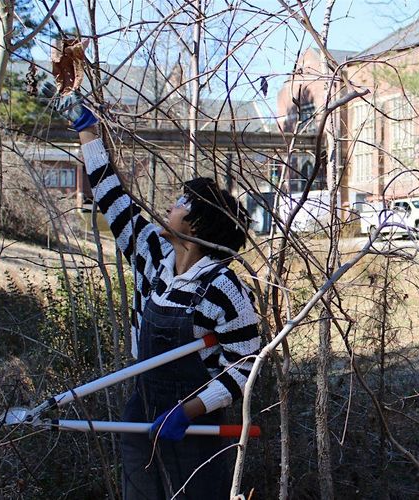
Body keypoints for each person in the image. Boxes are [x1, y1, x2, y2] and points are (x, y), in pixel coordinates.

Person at [46, 81, 261, 499]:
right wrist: (86, 128)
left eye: (181, 203)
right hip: (140, 411)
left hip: (193, 428)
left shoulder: (224, 288)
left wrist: (188, 410)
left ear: (196, 224)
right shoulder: (152, 255)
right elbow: (111, 196)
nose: (170, 206)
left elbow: (244, 368)